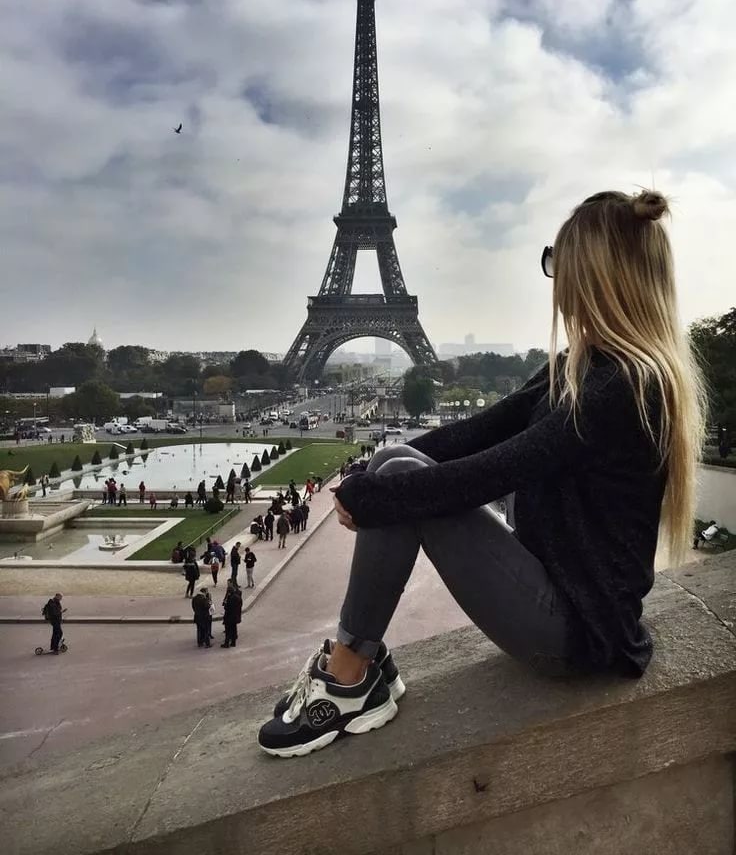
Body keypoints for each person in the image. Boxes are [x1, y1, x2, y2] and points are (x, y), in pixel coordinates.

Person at [257, 189, 707, 759]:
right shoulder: (587, 369)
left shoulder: (618, 388)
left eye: (559, 264)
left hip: (577, 632)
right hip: (558, 596)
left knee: (400, 484)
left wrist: (372, 496)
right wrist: (368, 475)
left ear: (595, 276)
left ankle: (349, 676)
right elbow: (478, 432)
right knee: (393, 464)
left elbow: (491, 472)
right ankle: (357, 662)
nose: (556, 282)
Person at [222, 583, 242, 648]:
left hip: (229, 617)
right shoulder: (238, 597)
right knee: (233, 629)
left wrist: (225, 604)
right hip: (235, 616)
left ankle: (226, 643)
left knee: (228, 631)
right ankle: (233, 643)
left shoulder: (230, 598)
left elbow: (227, 608)